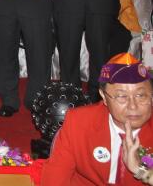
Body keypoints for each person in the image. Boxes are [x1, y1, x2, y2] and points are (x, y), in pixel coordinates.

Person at [42, 53, 153, 185]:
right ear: (104, 97)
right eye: (122, 96)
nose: (133, 106)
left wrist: (142, 171)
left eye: (141, 95)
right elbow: (55, 177)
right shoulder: (79, 122)